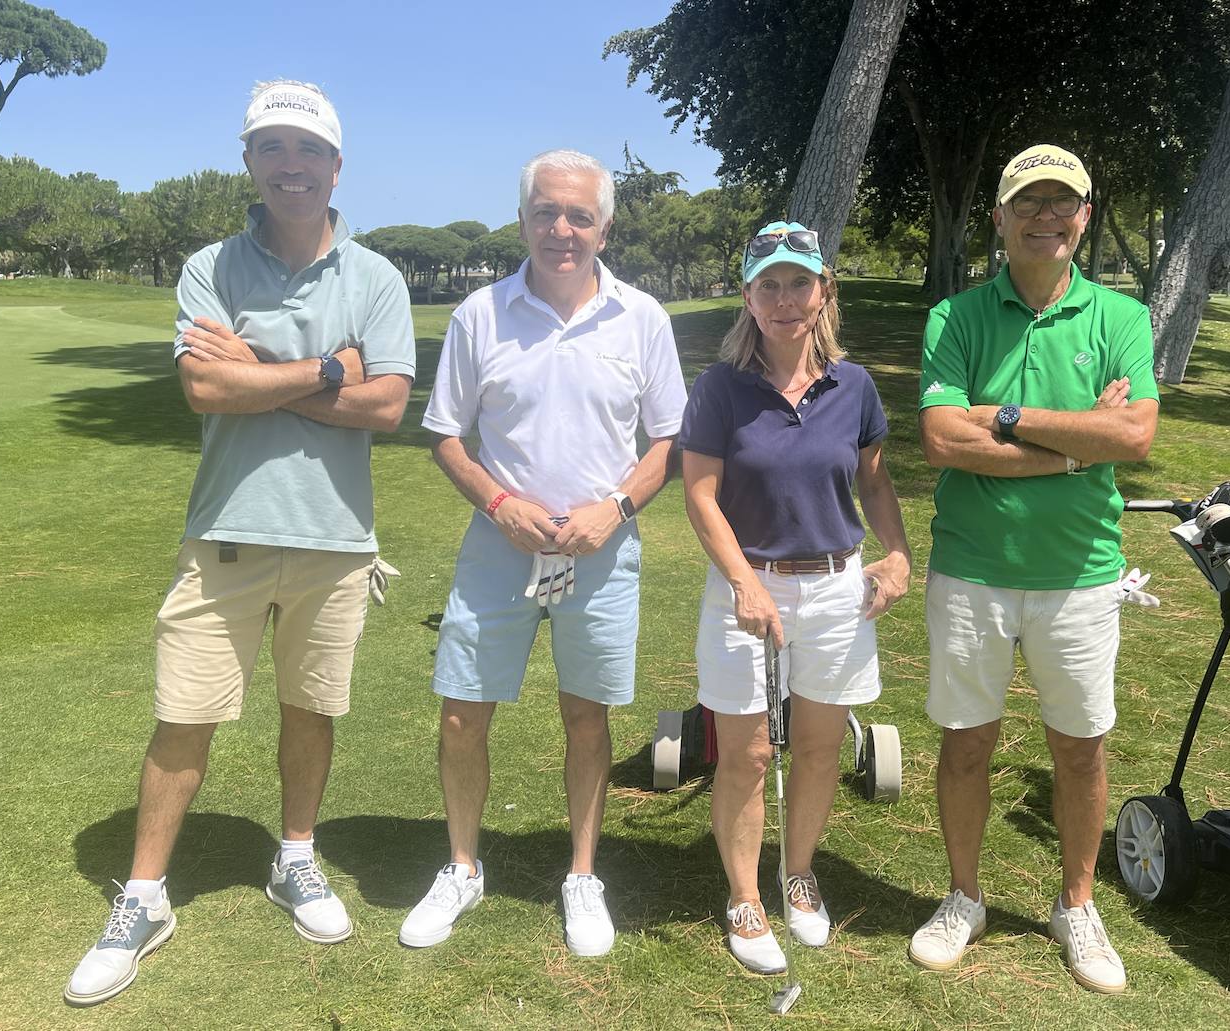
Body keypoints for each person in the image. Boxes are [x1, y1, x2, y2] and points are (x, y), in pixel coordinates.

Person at [65, 80, 415, 1006]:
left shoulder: (375, 277)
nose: (289, 165)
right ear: (250, 163)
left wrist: (258, 367)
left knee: (311, 709)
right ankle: (144, 895)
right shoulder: (211, 266)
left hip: (336, 538)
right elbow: (203, 391)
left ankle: (295, 857)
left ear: (337, 166)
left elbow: (385, 406)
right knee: (185, 714)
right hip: (225, 530)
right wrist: (326, 368)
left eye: (306, 149)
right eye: (272, 148)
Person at [404, 149, 687, 958]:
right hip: (501, 543)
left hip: (600, 547)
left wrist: (618, 506)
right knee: (463, 708)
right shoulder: (480, 314)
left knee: (585, 713)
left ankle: (582, 873)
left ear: (604, 226)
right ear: (523, 216)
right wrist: (498, 501)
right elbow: (446, 437)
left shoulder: (643, 319)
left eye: (579, 215)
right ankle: (462, 865)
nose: (561, 230)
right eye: (545, 212)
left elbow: (668, 438)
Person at [909, 144, 1159, 994]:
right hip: (972, 568)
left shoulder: (1121, 318)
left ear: (1084, 217)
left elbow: (1132, 437)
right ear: (1001, 217)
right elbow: (944, 439)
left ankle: (1076, 903)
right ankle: (964, 895)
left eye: (1063, 203)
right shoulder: (955, 318)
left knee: (1079, 749)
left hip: (1081, 573)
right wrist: (1070, 445)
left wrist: (1009, 418)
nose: (1045, 216)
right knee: (967, 742)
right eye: (1029, 202)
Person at [680, 221, 912, 973]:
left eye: (798, 282)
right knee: (746, 753)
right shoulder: (720, 387)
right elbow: (700, 495)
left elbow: (873, 480)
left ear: (824, 291)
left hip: (839, 589)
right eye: (768, 284)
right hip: (744, 590)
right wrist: (746, 581)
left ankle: (799, 873)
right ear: (747, 296)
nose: (784, 299)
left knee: (816, 748)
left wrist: (899, 553)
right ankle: (745, 896)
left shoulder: (857, 386)